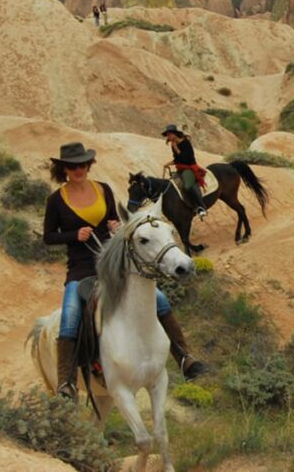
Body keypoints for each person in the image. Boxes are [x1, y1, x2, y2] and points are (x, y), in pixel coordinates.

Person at [43, 142, 207, 401]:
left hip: (114, 263)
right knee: (71, 315)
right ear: (64, 168)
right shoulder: (56, 200)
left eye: (83, 164)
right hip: (81, 267)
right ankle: (66, 382)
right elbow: (48, 236)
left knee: (161, 300)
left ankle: (185, 358)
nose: (79, 170)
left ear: (88, 165)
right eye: (73, 166)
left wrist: (115, 225)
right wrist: (74, 234)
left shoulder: (103, 190)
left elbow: (118, 224)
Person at [161, 124, 208, 219]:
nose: (169, 136)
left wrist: (176, 148)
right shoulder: (173, 145)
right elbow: (177, 159)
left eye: (170, 134)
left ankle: (201, 207)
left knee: (189, 186)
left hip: (189, 167)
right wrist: (168, 163)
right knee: (173, 184)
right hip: (180, 168)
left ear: (175, 134)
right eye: (168, 135)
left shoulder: (186, 143)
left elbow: (186, 158)